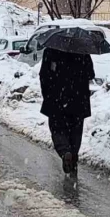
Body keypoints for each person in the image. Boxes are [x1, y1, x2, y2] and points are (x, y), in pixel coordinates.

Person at [39, 47, 95, 178]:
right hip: (79, 100)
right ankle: (73, 160)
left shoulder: (50, 51)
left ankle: (65, 152)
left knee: (57, 130)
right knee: (76, 132)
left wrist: (47, 95)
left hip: (56, 98)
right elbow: (90, 74)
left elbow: (44, 76)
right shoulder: (82, 51)